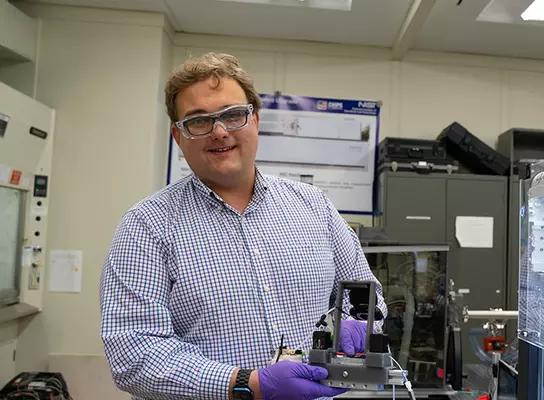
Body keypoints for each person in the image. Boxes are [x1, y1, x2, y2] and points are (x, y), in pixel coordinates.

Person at [100, 52, 387, 400]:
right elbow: (134, 354)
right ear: (179, 137)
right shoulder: (146, 226)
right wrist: (248, 384)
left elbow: (363, 291)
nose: (219, 132)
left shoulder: (314, 206)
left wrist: (360, 320)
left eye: (233, 115)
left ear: (255, 119)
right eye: (198, 121)